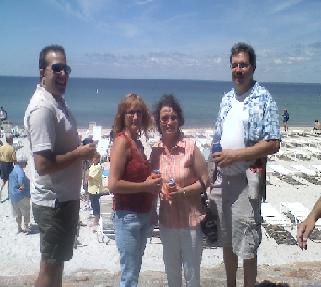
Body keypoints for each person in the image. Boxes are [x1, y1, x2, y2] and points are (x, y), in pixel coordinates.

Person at [24, 44, 96, 287]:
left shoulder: (57, 101)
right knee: (50, 266)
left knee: (58, 264)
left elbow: (59, 147)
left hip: (64, 198)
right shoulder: (43, 108)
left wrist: (79, 147)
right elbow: (42, 164)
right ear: (42, 72)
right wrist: (79, 153)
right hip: (53, 201)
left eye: (66, 68)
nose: (63, 74)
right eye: (57, 68)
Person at [209, 42, 280, 287]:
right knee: (227, 242)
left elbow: (273, 143)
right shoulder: (227, 98)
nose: (238, 69)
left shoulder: (263, 98)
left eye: (243, 65)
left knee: (247, 246)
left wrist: (235, 156)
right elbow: (217, 138)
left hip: (245, 183)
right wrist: (212, 169)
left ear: (253, 67)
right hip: (221, 181)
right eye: (234, 65)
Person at [150, 94, 209, 287]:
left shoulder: (190, 147)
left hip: (191, 221)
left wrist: (182, 192)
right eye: (164, 118)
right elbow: (152, 182)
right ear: (159, 122)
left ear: (179, 119)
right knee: (172, 274)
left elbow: (205, 181)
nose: (169, 122)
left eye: (173, 117)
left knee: (192, 275)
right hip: (167, 222)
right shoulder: (155, 151)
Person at [108, 93, 162, 287]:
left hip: (143, 215)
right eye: (130, 112)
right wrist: (145, 186)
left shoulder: (138, 143)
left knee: (135, 269)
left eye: (139, 112)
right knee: (129, 275)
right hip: (126, 217)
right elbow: (113, 184)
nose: (135, 117)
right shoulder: (122, 141)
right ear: (122, 116)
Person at [8, 152, 31, 233]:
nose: (27, 164)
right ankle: (26, 226)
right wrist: (22, 188)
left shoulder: (14, 169)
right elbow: (20, 180)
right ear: (21, 162)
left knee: (18, 213)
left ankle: (19, 227)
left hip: (13, 195)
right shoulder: (20, 171)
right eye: (25, 162)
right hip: (21, 196)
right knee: (26, 211)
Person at [88, 152, 103, 226]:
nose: (92, 159)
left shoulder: (98, 167)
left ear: (97, 159)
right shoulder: (92, 166)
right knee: (93, 205)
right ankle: (95, 220)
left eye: (93, 157)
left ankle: (96, 221)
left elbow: (90, 177)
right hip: (91, 188)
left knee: (95, 205)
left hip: (96, 189)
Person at [0, 134, 16, 201]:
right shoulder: (12, 148)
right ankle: (9, 195)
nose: (12, 140)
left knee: (4, 182)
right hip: (9, 165)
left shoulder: (1, 147)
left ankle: (0, 194)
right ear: (10, 140)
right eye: (12, 139)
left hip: (2, 165)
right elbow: (15, 160)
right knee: (11, 181)